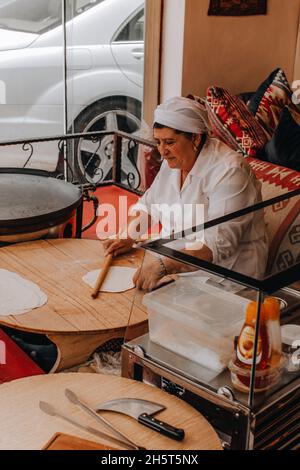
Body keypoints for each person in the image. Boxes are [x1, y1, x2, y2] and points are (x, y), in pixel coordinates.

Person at [102, 96, 268, 291]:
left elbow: (218, 243)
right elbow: (150, 205)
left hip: (225, 279)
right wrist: (128, 235)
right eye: (158, 142)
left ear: (195, 138)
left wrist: (165, 265)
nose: (162, 151)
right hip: (176, 264)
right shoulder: (174, 161)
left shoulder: (229, 171)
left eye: (169, 142)